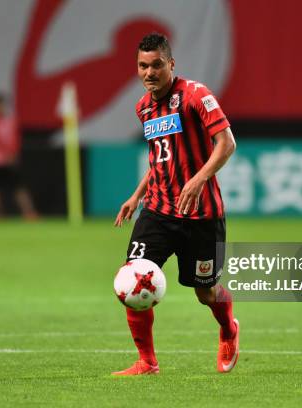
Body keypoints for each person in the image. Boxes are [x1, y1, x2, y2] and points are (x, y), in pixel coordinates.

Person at [113, 33, 238, 375]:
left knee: (205, 293)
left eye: (156, 65)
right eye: (142, 66)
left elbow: (226, 143)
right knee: (131, 280)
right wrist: (137, 196)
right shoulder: (144, 107)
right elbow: (160, 160)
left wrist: (199, 179)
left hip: (201, 214)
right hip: (158, 210)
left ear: (170, 64)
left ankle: (229, 330)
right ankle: (147, 362)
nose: (149, 72)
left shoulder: (196, 95)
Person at [0, 92, 38, 220]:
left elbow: (16, 139)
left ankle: (29, 213)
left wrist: (13, 154)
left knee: (19, 187)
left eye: (1, 105)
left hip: (11, 160)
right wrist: (7, 153)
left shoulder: (11, 121)